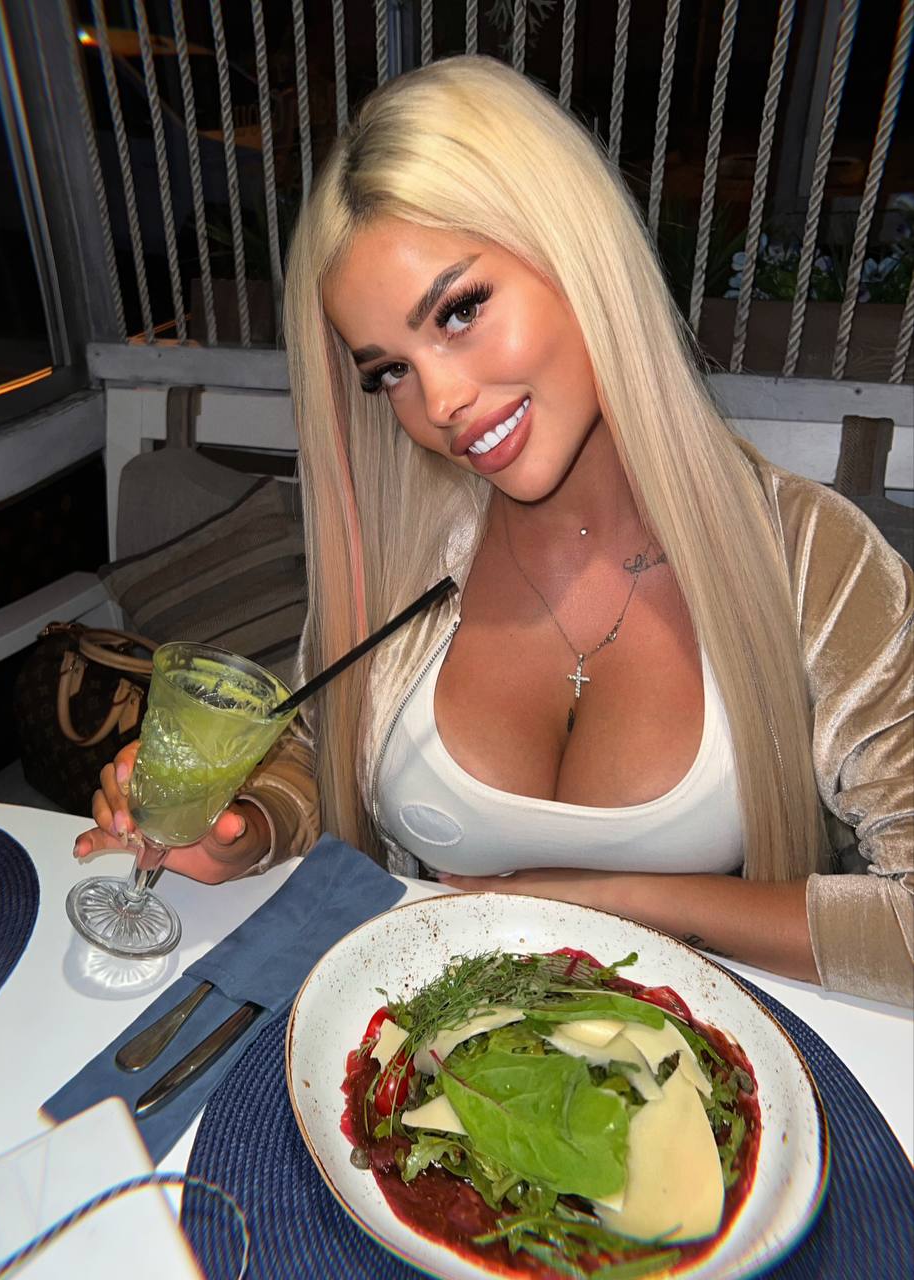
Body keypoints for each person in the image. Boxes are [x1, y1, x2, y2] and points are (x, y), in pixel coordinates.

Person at [74, 56, 913, 1006]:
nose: (439, 401)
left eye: (461, 310)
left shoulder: (810, 561)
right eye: (389, 371)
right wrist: (250, 826)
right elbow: (321, 748)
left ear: (576, 254)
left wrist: (597, 903)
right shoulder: (404, 555)